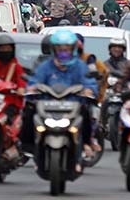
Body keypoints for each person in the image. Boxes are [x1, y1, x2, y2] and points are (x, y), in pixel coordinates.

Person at [28, 30, 98, 172]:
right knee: (29, 114)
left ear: (73, 49)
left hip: (73, 105)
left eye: (66, 49)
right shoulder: (45, 66)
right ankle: (31, 150)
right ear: (54, 50)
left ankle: (85, 145)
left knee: (86, 114)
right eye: (60, 49)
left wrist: (89, 90)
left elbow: (89, 82)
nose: (63, 52)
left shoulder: (79, 66)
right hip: (48, 106)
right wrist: (32, 89)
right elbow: (35, 81)